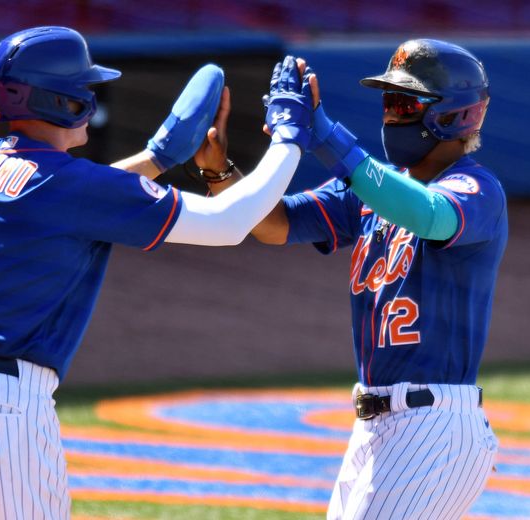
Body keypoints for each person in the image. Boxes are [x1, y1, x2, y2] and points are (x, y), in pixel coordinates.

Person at [0, 26, 314, 519]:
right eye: (82, 87)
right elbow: (228, 223)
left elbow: (66, 196)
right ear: (61, 100)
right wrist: (289, 139)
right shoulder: (69, 187)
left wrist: (157, 158)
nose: (90, 95)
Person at [205, 40, 507, 519]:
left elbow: (430, 216)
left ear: (452, 116)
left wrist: (325, 135)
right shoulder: (372, 187)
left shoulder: (476, 188)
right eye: (388, 101)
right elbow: (273, 224)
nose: (391, 114)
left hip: (432, 423)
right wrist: (216, 168)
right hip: (377, 428)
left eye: (405, 103)